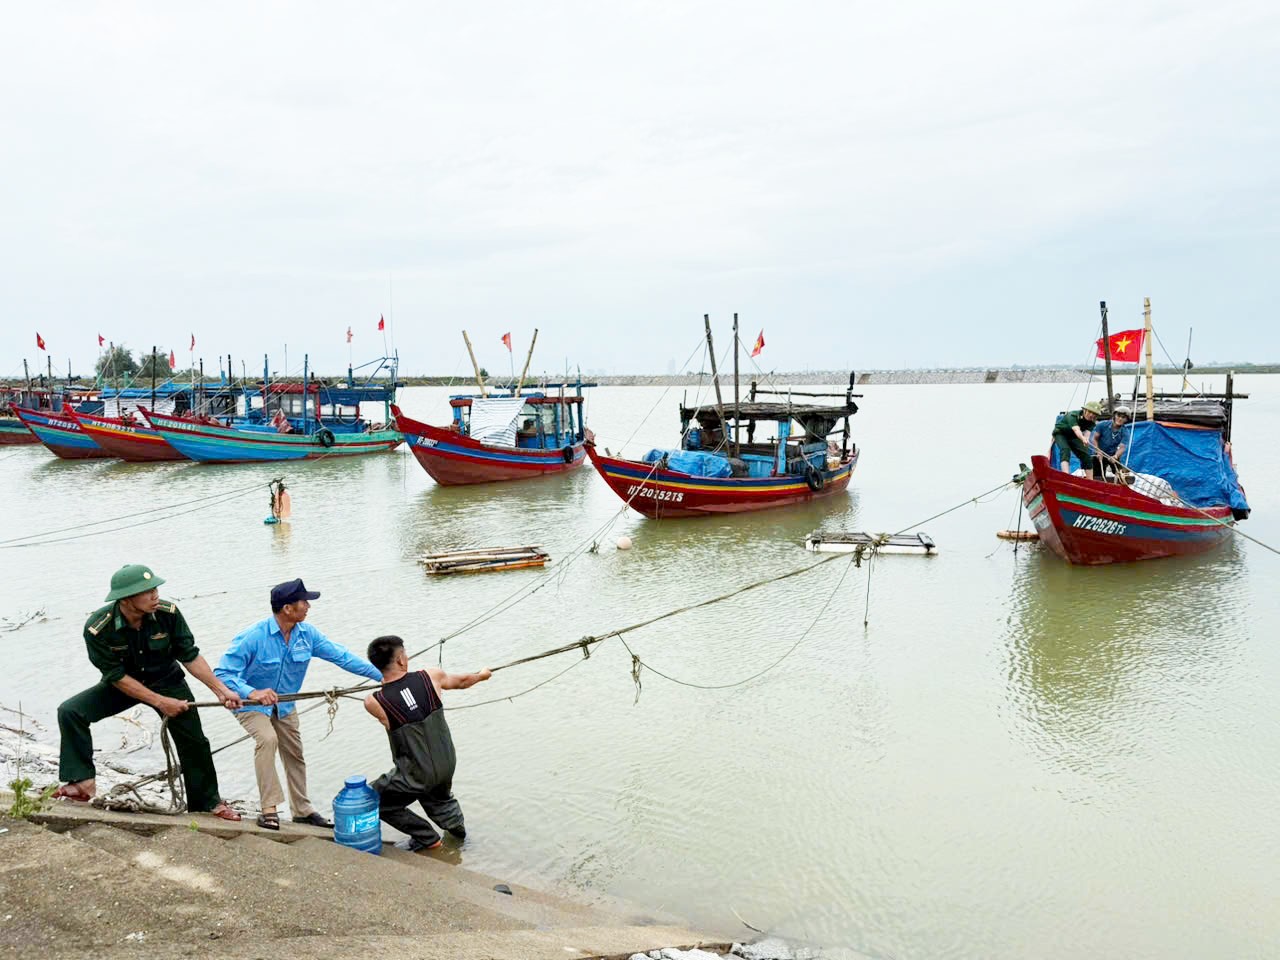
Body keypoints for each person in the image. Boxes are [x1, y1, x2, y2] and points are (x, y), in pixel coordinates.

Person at [55, 565, 242, 820]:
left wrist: (222, 690)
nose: (155, 595)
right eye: (147, 592)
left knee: (194, 741)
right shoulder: (99, 628)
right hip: (125, 684)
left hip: (167, 681)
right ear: (126, 598)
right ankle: (81, 783)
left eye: (155, 589)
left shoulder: (169, 614)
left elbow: (189, 655)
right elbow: (115, 676)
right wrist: (159, 702)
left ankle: (206, 804)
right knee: (71, 711)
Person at [215, 579, 383, 830]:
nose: (308, 606)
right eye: (304, 602)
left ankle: (302, 811)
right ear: (287, 609)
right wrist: (254, 691)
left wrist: (384, 676)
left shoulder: (307, 634)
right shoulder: (254, 637)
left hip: (285, 705)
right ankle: (269, 810)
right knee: (267, 739)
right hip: (250, 705)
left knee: (294, 753)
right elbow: (223, 673)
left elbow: (341, 656)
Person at [363, 635, 491, 852]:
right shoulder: (431, 676)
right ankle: (460, 838)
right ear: (401, 660)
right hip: (446, 762)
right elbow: (462, 681)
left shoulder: (373, 701)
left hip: (415, 773)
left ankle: (427, 838)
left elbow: (397, 709)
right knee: (441, 799)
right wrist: (482, 675)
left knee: (371, 798)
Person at [1052, 400, 1103, 473]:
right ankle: (1066, 474)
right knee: (1065, 450)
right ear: (1085, 410)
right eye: (1089, 412)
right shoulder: (1073, 415)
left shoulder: (1092, 422)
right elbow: (1076, 430)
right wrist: (1083, 438)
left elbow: (1087, 434)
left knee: (1086, 456)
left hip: (1074, 437)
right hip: (1061, 433)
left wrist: (1086, 440)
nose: (1091, 415)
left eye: (1094, 413)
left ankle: (1089, 481)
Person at [1089, 406, 1132, 480]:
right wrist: (1098, 451)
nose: (1120, 419)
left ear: (1126, 420)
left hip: (1112, 455)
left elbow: (1122, 447)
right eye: (1118, 416)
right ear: (1114, 415)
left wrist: (1115, 456)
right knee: (1098, 475)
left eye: (1123, 417)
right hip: (1099, 453)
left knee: (1120, 473)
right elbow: (1095, 439)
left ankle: (1120, 481)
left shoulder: (1125, 431)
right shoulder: (1102, 425)